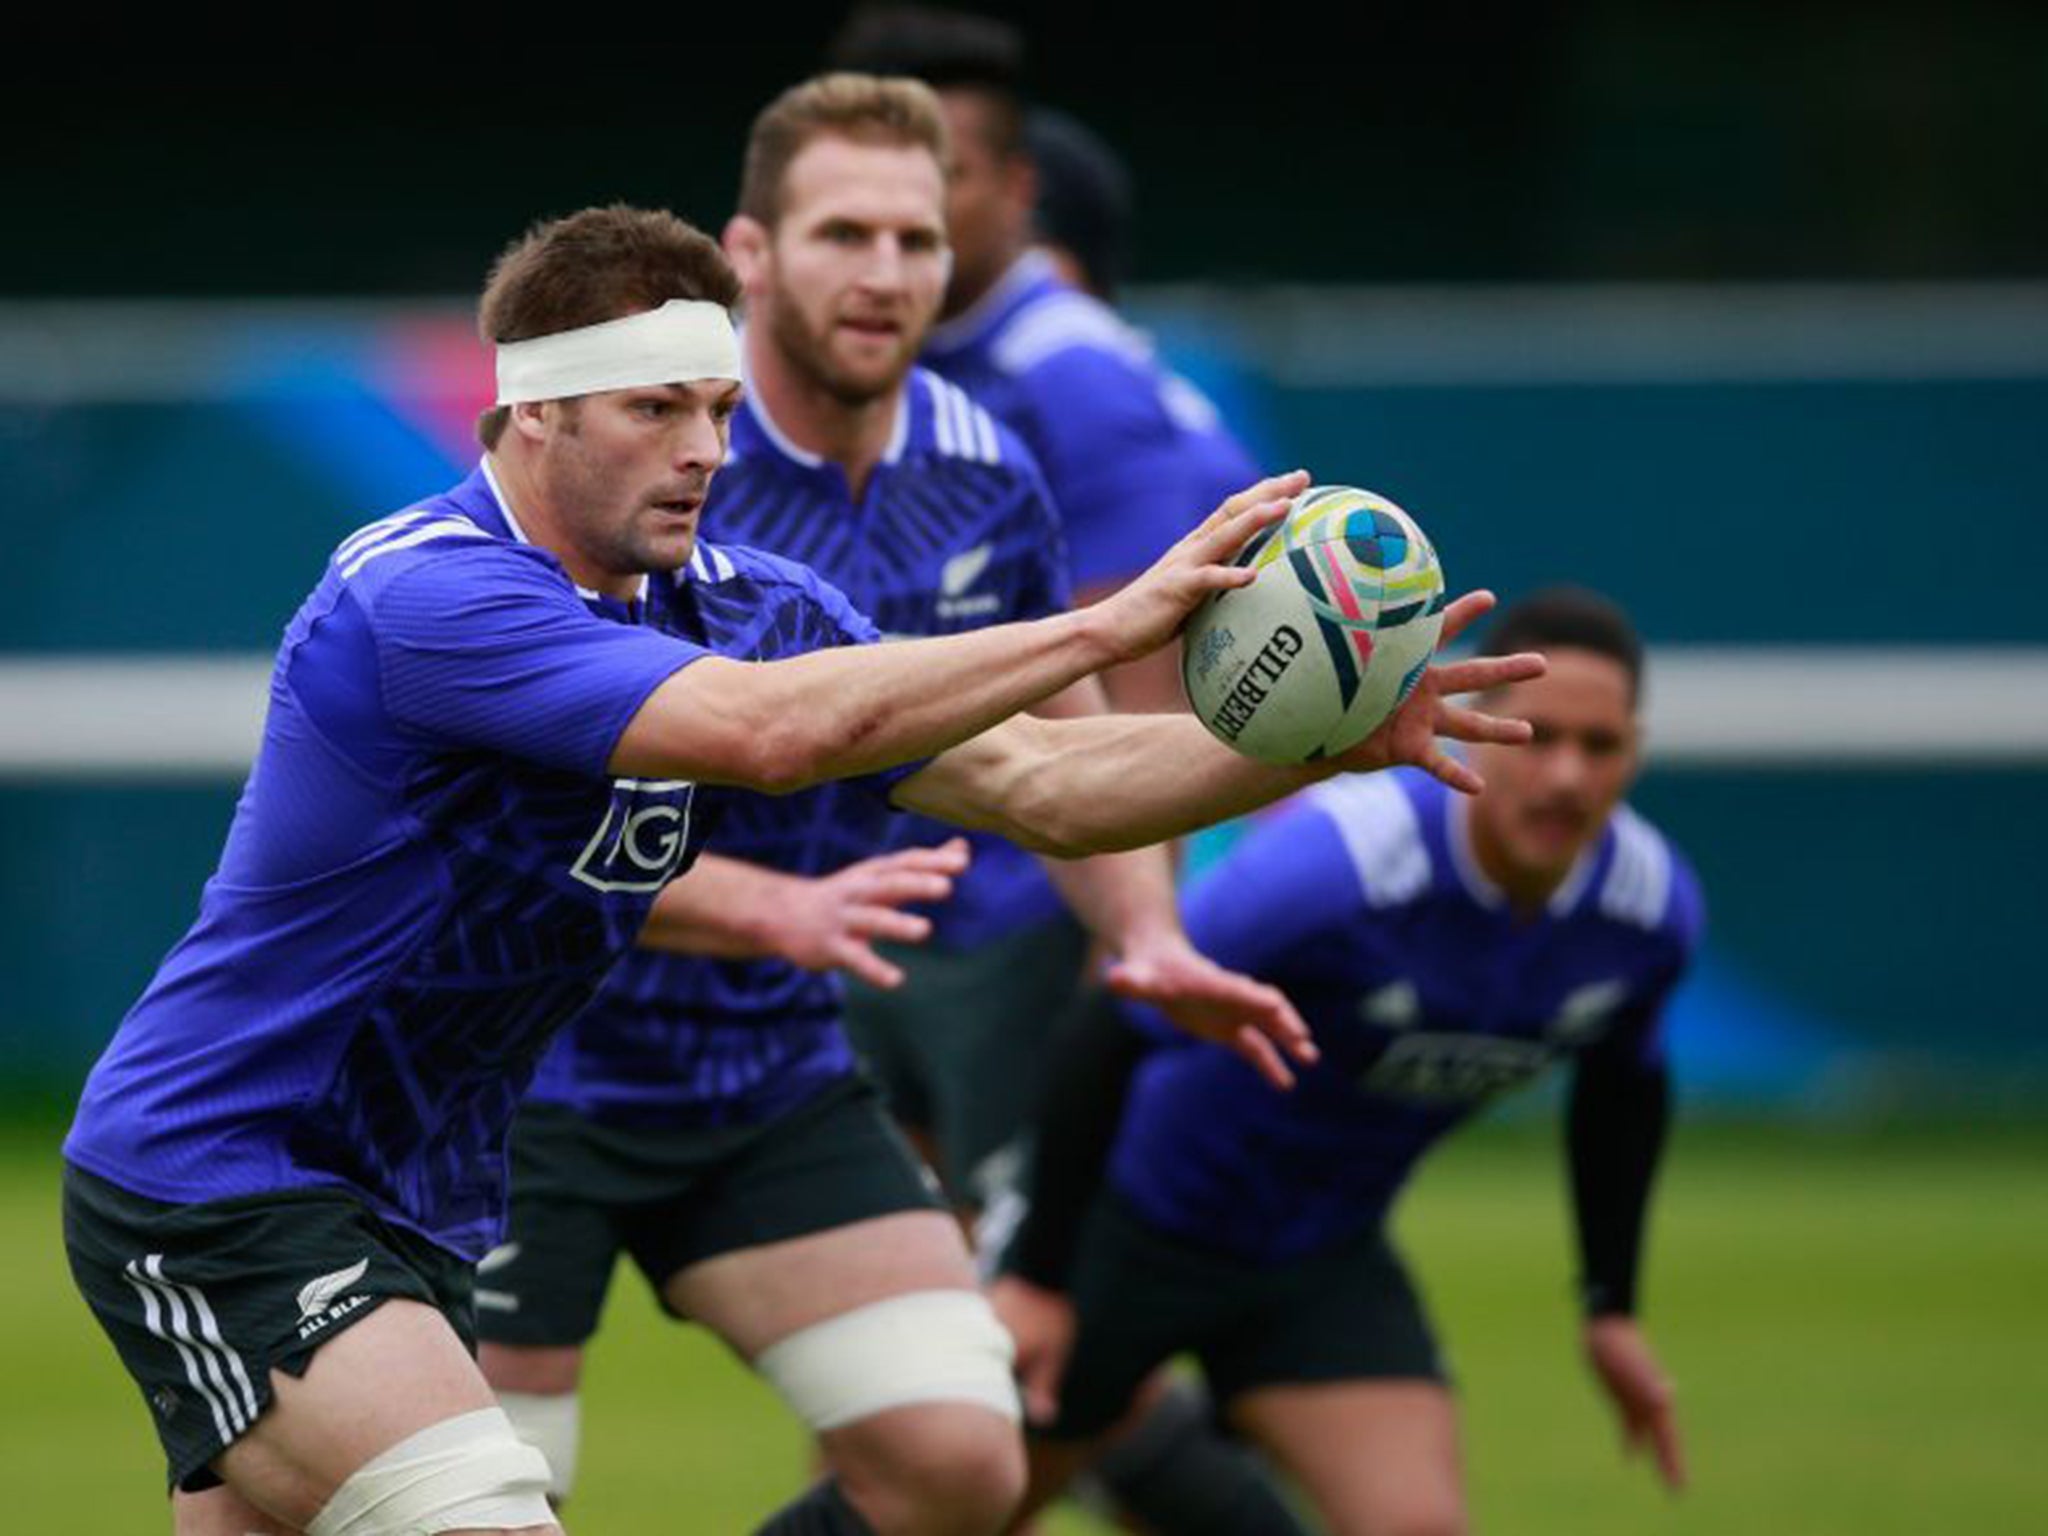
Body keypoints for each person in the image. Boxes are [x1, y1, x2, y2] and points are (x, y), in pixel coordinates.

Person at [59, 200, 1540, 1536]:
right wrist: (1107, 627)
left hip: (423, 1194)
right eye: (656, 408)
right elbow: (768, 739)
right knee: (482, 1515)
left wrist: (1309, 747)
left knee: (952, 1460)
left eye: (714, 404)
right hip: (228, 1170)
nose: (708, 447)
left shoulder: (750, 602)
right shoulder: (426, 596)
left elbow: (1050, 787)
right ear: (531, 417)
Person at [475, 77, 1305, 1536]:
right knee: (490, 1498)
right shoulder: (638, 481)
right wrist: (768, 908)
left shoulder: (988, 472)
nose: (883, 273)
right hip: (533, 1061)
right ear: (752, 253)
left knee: (960, 1461)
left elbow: (1059, 758)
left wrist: (1146, 932)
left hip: (774, 1065)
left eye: (916, 239)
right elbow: (505, 834)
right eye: (843, 232)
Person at [994, 588, 1701, 1536]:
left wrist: (1610, 1306)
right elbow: (1111, 1023)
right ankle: (1136, 1440)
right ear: (1481, 729)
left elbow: (1624, 1084)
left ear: (1636, 754)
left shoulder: (1647, 910)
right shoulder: (1339, 863)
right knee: (956, 1501)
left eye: (1600, 746)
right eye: (1539, 737)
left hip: (1320, 1255)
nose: (1567, 775)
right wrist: (1040, 1277)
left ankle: (1144, 1442)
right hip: (1128, 1229)